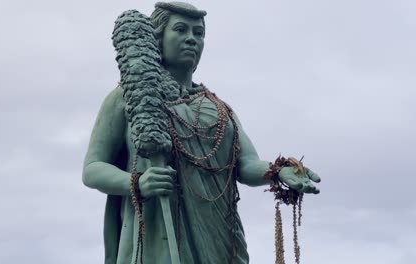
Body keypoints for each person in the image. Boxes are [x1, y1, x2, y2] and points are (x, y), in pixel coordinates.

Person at [82, 2, 320, 264]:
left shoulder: (219, 110)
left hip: (219, 237)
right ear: (158, 37)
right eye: (181, 30)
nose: (191, 39)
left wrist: (278, 171)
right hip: (155, 234)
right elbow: (93, 168)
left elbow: (246, 165)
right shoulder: (127, 98)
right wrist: (137, 182)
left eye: (198, 33)